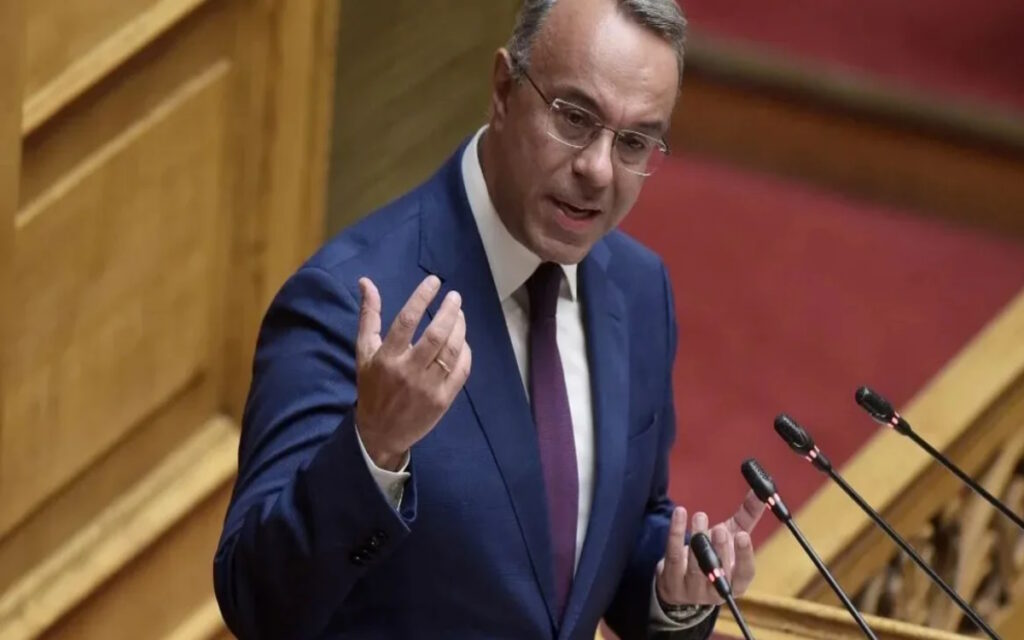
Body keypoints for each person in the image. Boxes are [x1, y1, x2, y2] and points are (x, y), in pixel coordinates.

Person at [213, 0, 765, 638]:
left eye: (635, 142)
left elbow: (613, 533)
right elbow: (254, 599)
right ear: (503, 91)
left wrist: (673, 590)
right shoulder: (347, 300)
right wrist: (372, 449)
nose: (597, 169)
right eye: (574, 118)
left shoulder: (640, 291)